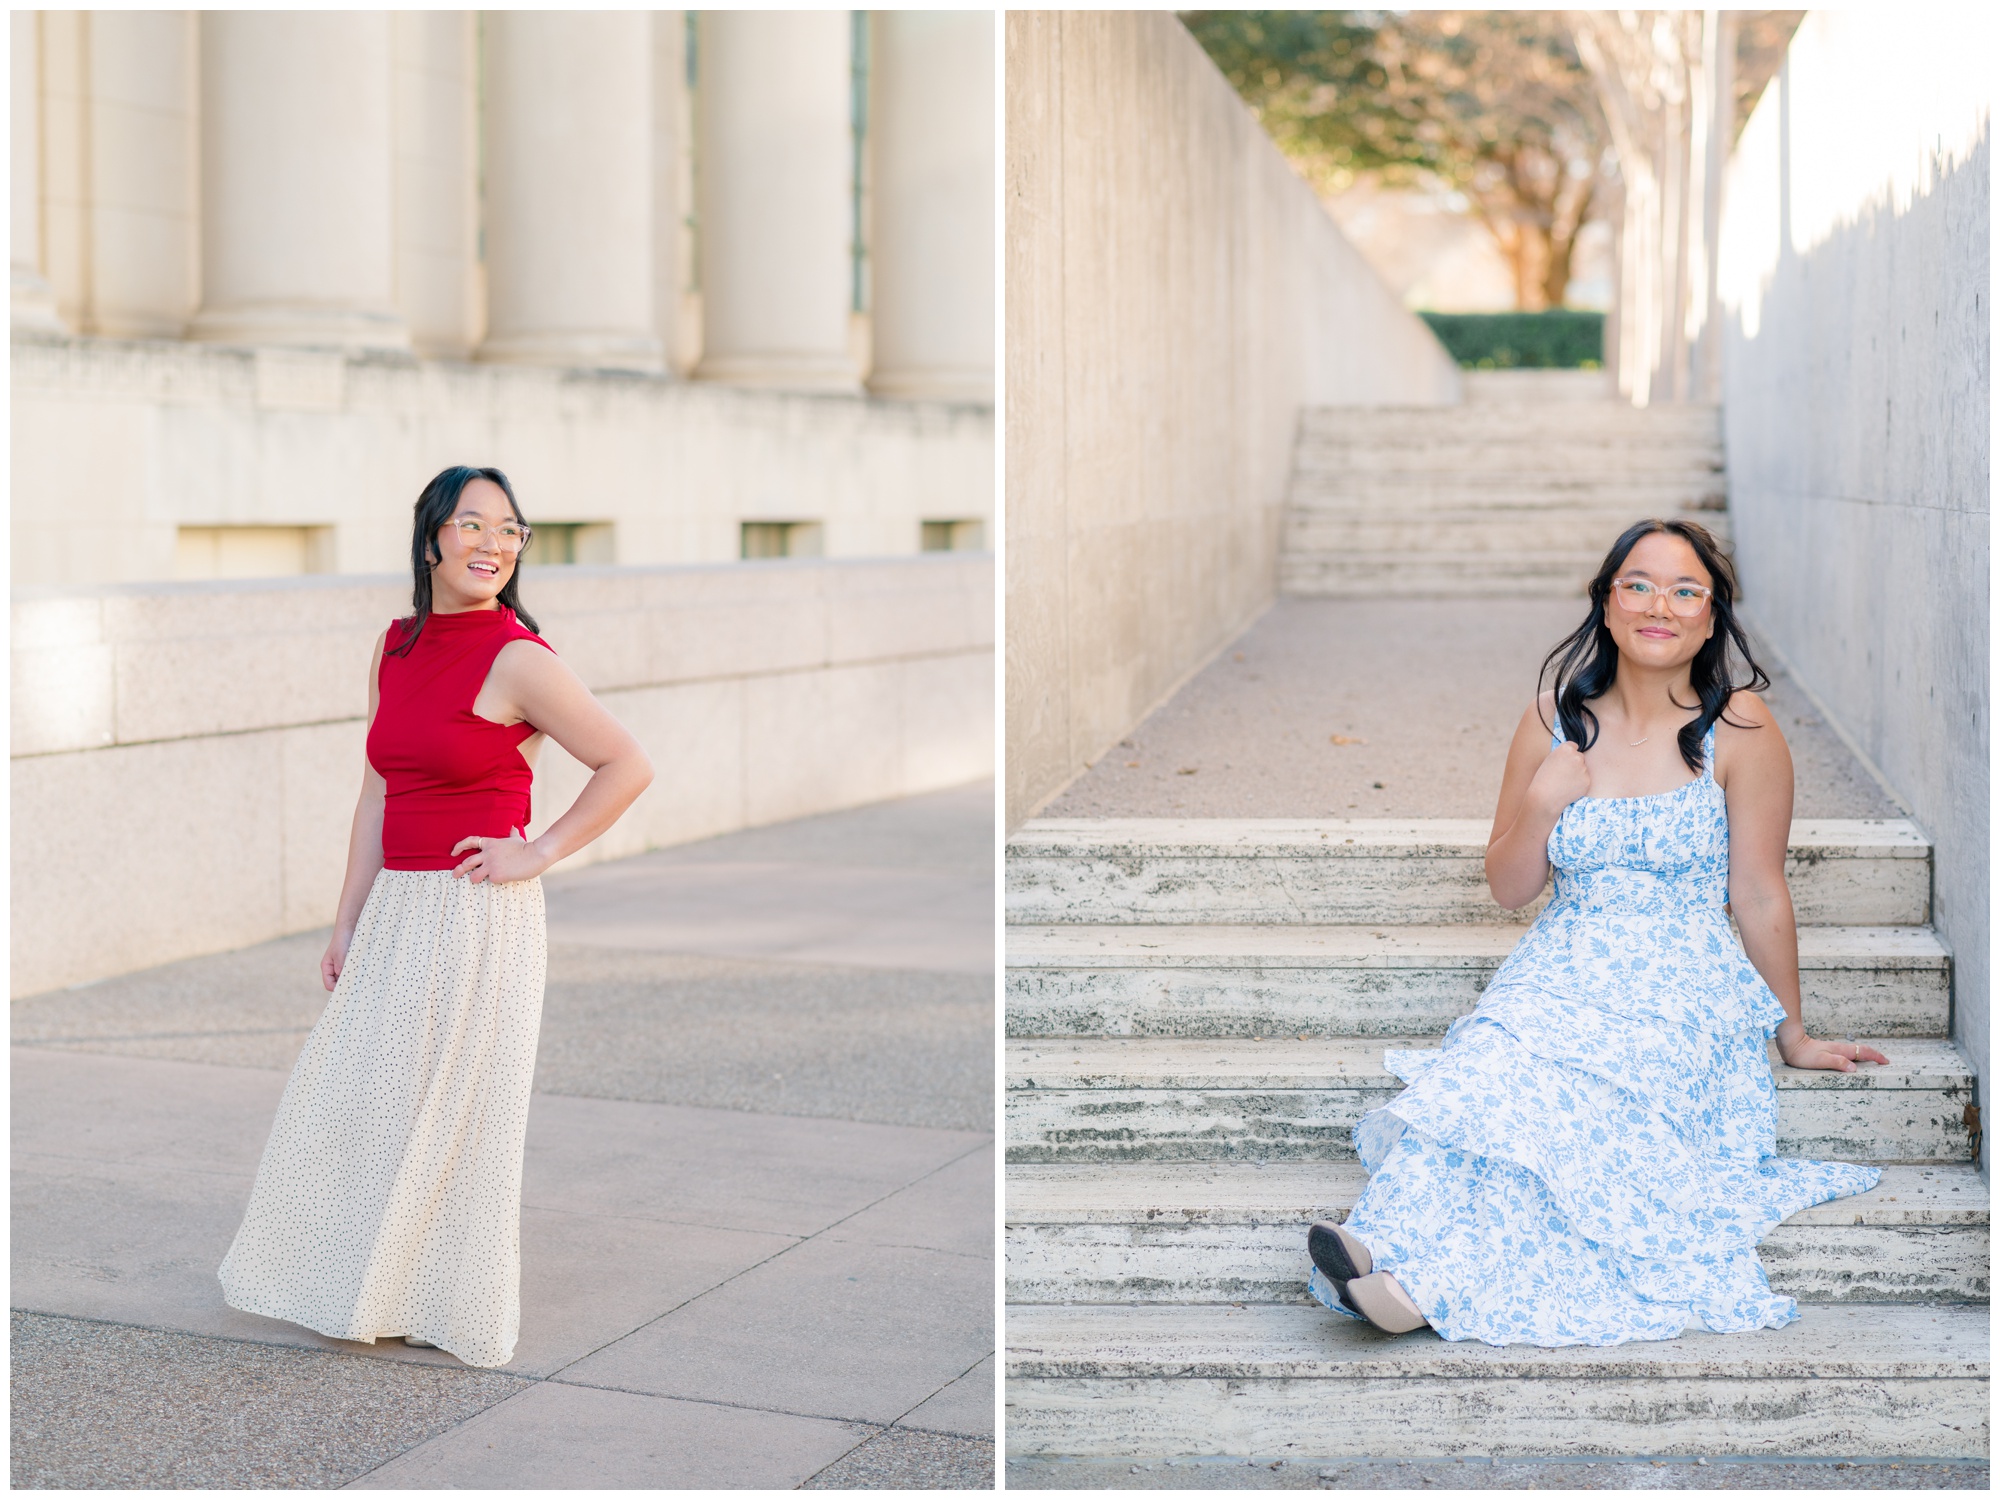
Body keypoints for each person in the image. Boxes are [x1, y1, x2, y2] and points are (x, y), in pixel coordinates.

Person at [1306, 518, 1886, 1347]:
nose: (1659, 605)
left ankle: (1417, 1286)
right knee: (1490, 1073)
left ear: (1711, 617)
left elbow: (1758, 892)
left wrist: (1790, 1034)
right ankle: (1381, 1245)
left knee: (1578, 1102)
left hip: (1683, 982)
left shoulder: (1741, 726)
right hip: (1560, 964)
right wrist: (1544, 801)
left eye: (1685, 590)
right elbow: (1510, 888)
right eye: (1638, 585)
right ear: (1606, 604)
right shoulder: (1552, 719)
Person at [218, 465, 653, 1368]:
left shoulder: (519, 657)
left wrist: (536, 851)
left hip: (476, 911)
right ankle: (372, 1284)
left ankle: (439, 1296)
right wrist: (347, 920)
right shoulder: (395, 646)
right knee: (364, 1101)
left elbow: (627, 765)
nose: (493, 544)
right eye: (472, 524)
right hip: (396, 909)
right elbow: (377, 791)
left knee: (453, 1114)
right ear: (430, 541)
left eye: (510, 529)